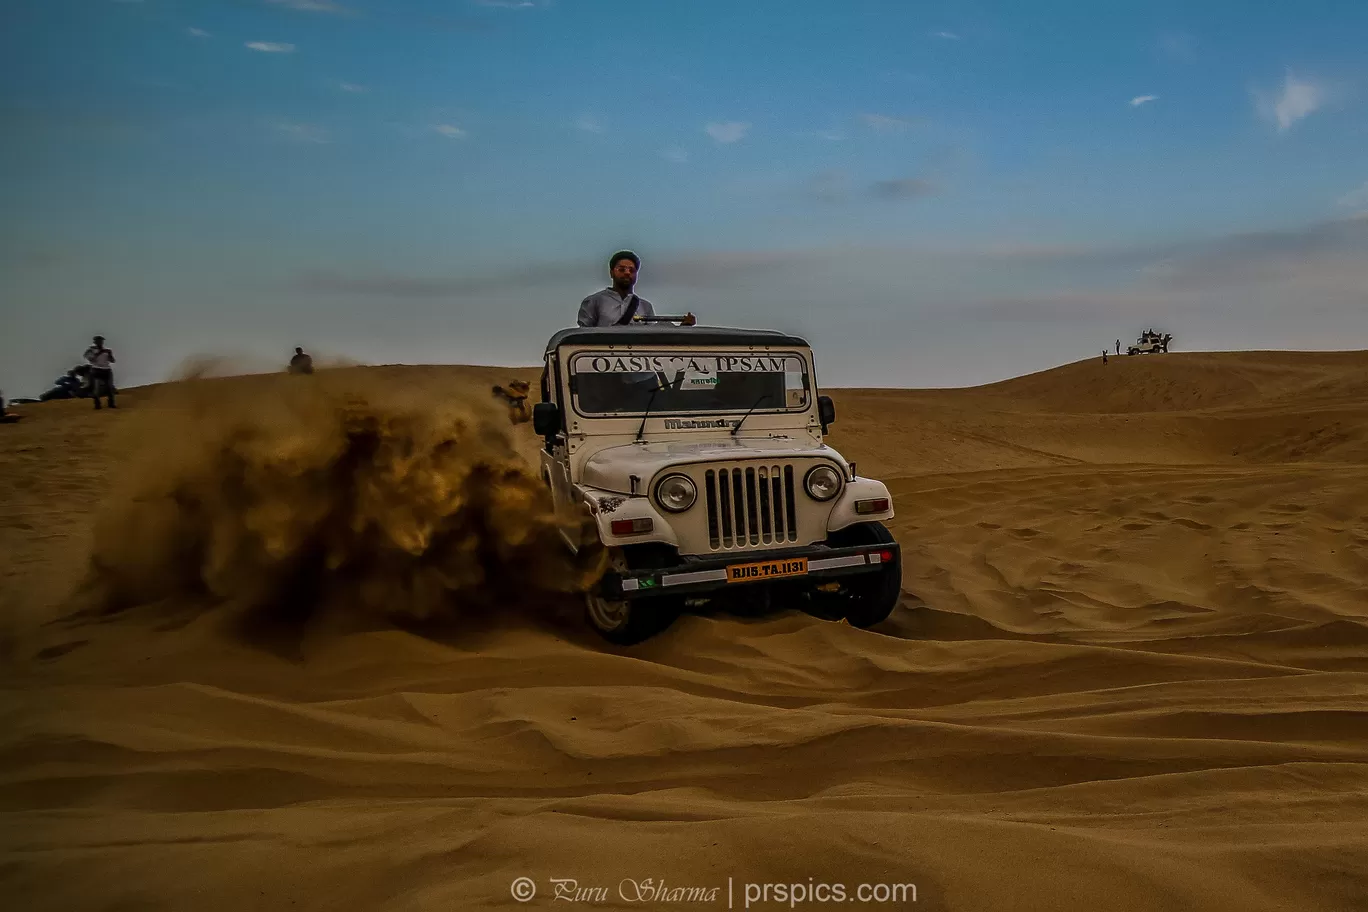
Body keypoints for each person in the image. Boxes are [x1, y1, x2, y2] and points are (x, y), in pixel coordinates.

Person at [577, 250, 658, 327]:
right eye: (621, 269)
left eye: (632, 270)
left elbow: (652, 336)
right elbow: (583, 335)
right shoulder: (594, 301)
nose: (627, 273)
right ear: (611, 273)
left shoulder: (645, 306)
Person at [83, 335, 116, 409]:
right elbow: (91, 360)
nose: (100, 342)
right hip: (96, 369)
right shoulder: (91, 350)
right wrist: (100, 352)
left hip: (107, 369)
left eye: (101, 341)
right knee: (97, 388)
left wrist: (110, 355)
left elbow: (113, 361)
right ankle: (97, 404)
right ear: (95, 342)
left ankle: (111, 403)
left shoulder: (107, 350)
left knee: (110, 387)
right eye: (98, 341)